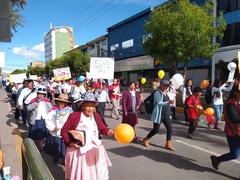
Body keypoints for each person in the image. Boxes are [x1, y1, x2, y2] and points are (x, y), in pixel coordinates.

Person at [61, 92, 114, 180]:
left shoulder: (96, 116)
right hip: (79, 152)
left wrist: (108, 131)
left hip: (96, 150)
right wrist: (70, 143)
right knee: (82, 175)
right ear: (82, 106)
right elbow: (64, 131)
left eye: (93, 106)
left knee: (97, 174)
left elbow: (102, 128)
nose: (90, 108)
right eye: (88, 106)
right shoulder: (74, 116)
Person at [210, 83, 240, 170]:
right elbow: (234, 119)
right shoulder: (231, 104)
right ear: (236, 93)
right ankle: (217, 160)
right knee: (234, 154)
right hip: (233, 133)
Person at [143, 80, 175, 151]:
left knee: (170, 128)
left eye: (167, 85)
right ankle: (146, 139)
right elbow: (159, 103)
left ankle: (168, 144)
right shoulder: (157, 92)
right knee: (156, 130)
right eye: (164, 85)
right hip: (159, 114)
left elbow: (167, 103)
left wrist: (170, 105)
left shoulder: (166, 92)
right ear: (161, 85)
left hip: (166, 113)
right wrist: (169, 102)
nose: (166, 86)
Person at [45, 93, 73, 164]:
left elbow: (72, 120)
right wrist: (53, 127)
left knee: (65, 148)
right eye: (60, 102)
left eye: (64, 103)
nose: (61, 104)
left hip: (66, 133)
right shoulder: (53, 110)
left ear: (66, 103)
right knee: (56, 147)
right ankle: (56, 159)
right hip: (56, 133)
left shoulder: (69, 111)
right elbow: (48, 120)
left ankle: (64, 160)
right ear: (57, 102)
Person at [27, 86, 52, 150]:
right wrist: (34, 106)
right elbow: (28, 108)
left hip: (43, 120)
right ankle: (34, 146)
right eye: (39, 94)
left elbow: (51, 109)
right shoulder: (34, 101)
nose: (40, 95)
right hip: (35, 120)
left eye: (42, 94)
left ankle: (41, 146)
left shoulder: (47, 102)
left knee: (42, 134)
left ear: (44, 95)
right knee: (34, 134)